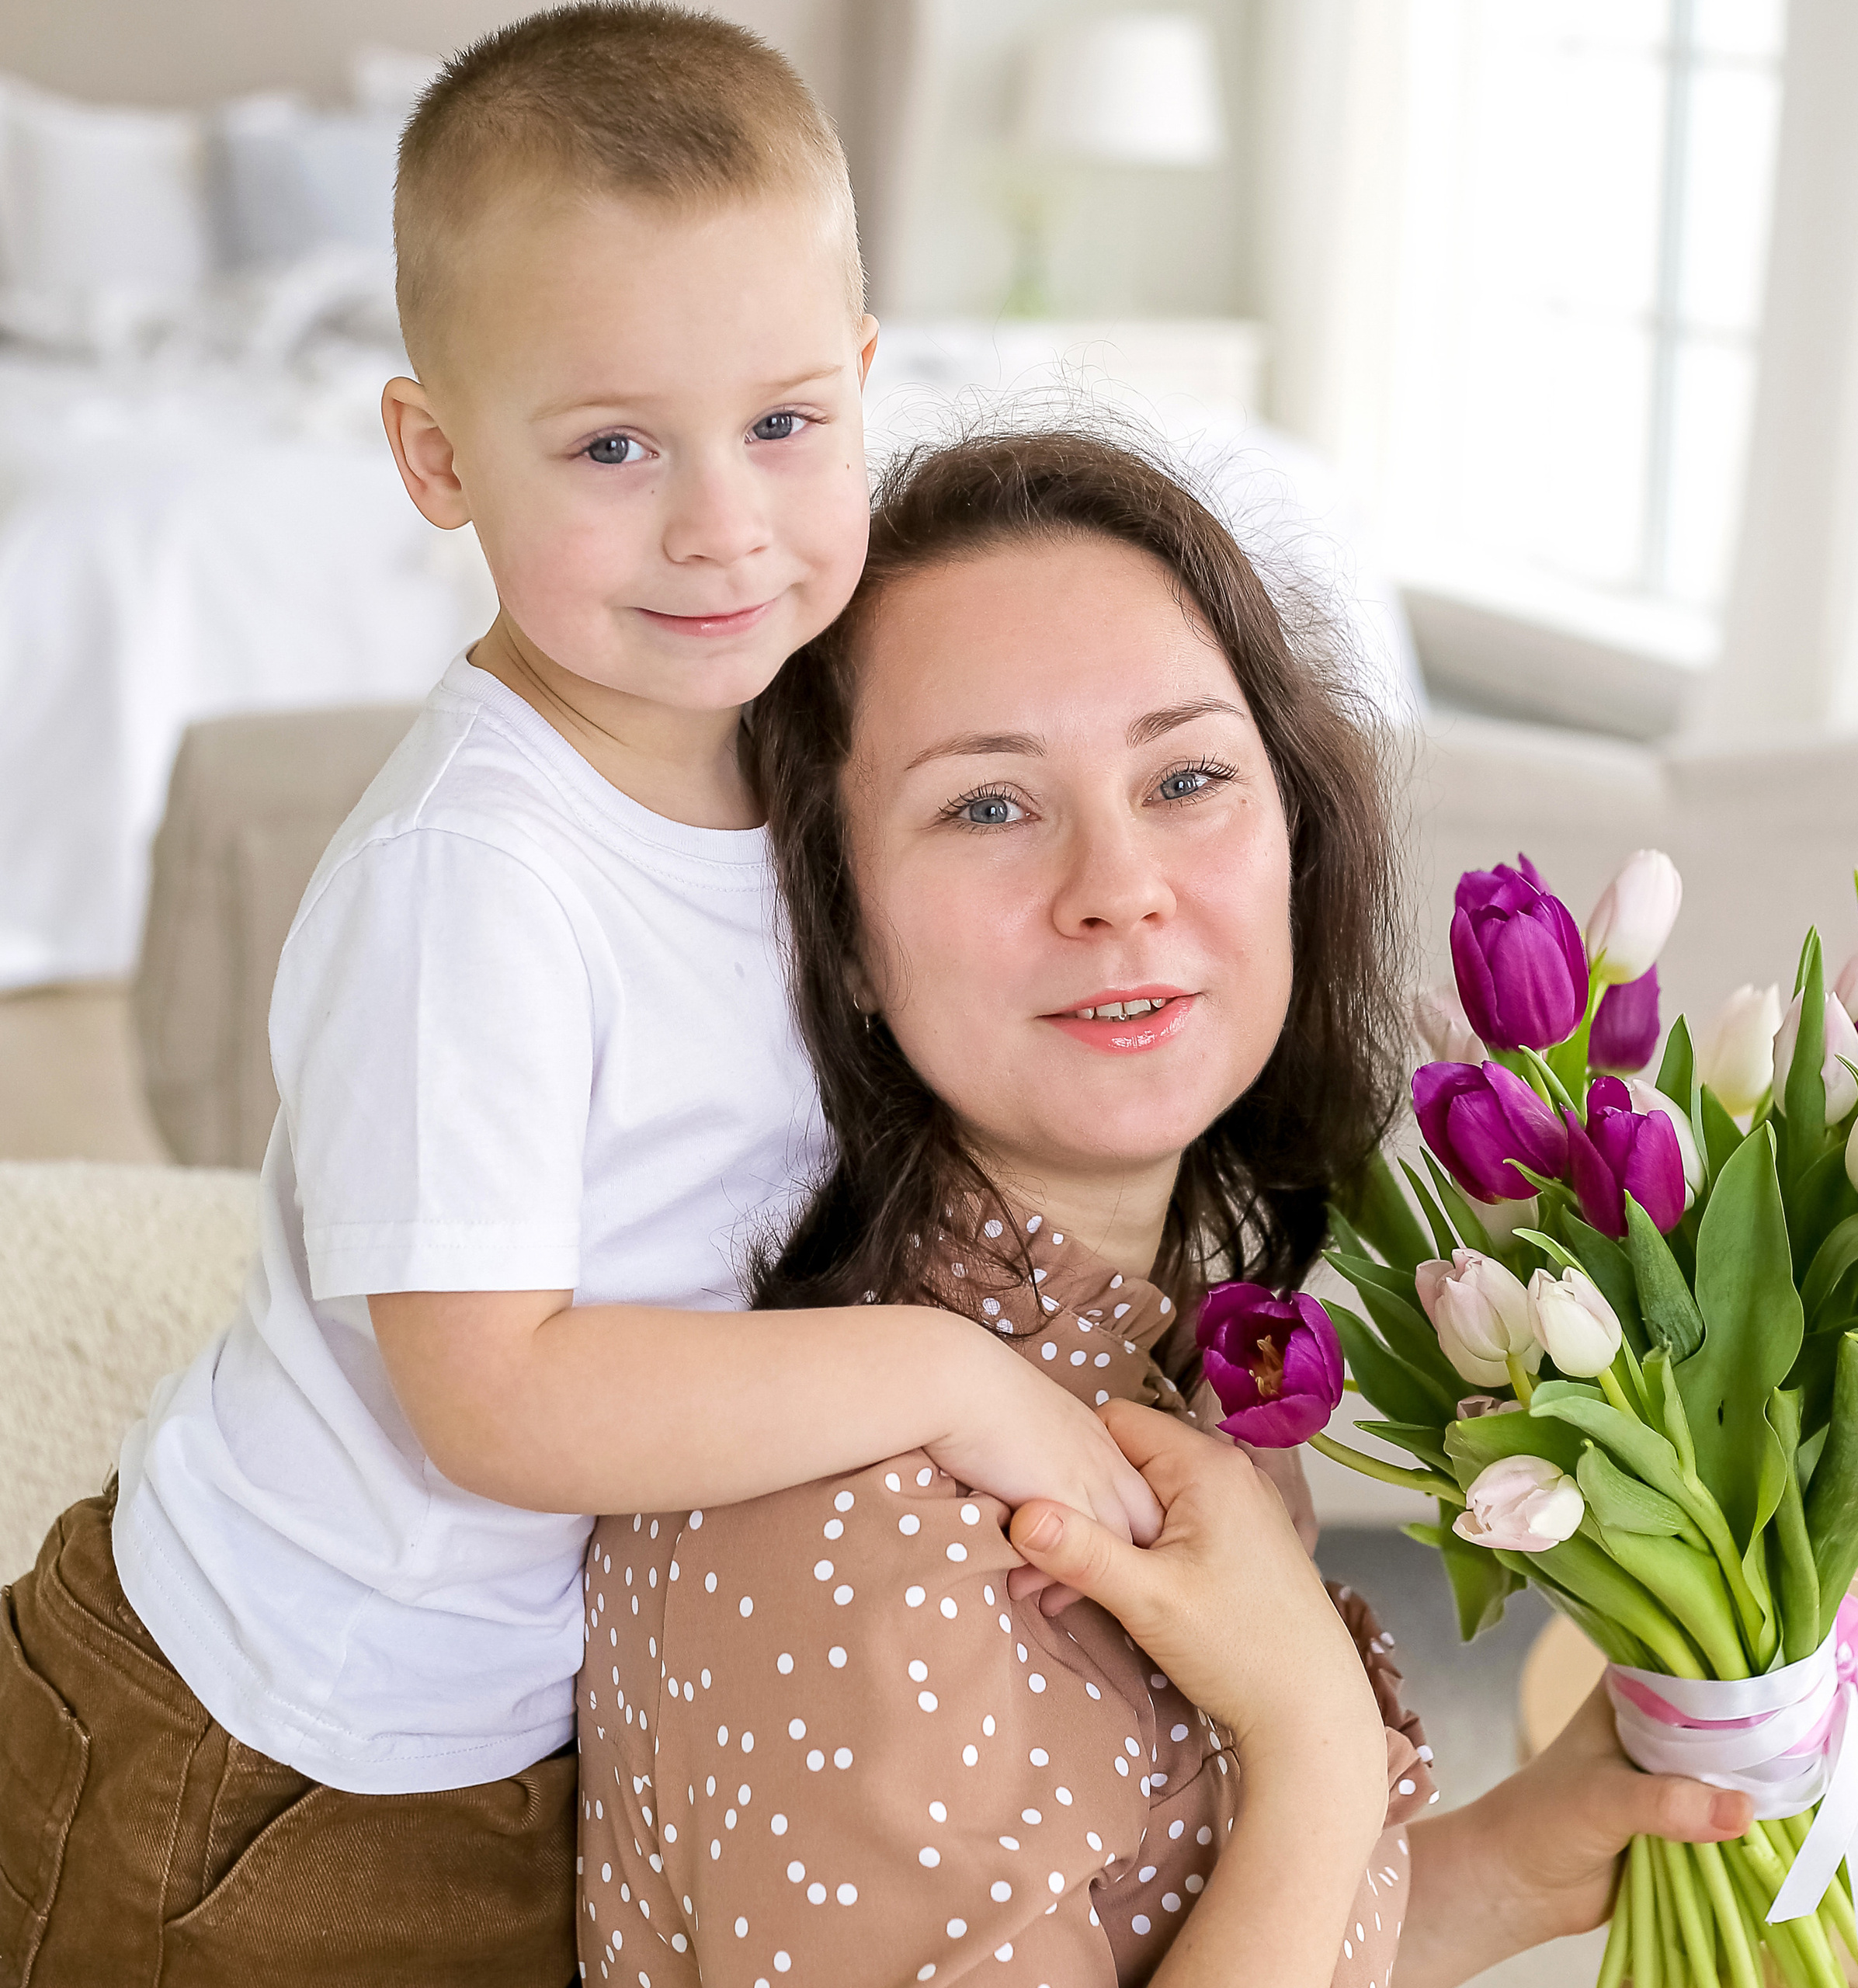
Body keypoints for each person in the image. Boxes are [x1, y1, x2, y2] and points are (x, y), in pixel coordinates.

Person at [0, 16, 1159, 1985]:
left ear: (865, 384)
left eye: (784, 425)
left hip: (531, 1705)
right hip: (277, 1744)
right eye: (615, 446)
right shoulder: (477, 874)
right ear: (436, 457)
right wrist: (957, 1377)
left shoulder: (782, 736)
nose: (720, 522)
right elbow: (495, 1391)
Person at [573, 432, 1756, 1986]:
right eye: (989, 806)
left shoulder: (1142, 1360)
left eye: (1186, 775)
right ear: (840, 927)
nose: (1117, 882)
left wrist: (1506, 1861)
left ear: (1293, 836)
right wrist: (1313, 1737)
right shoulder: (846, 1518)